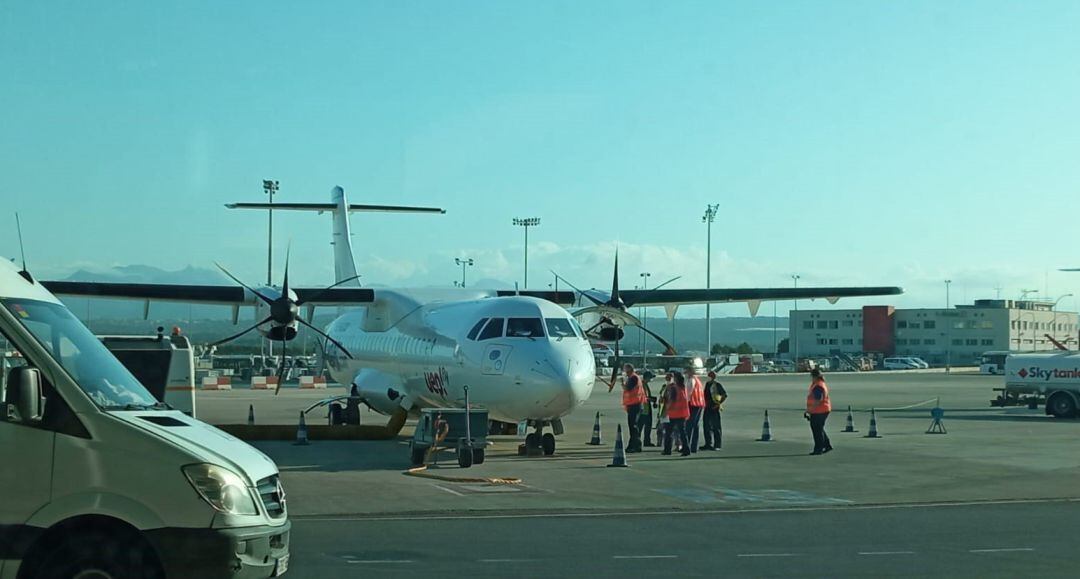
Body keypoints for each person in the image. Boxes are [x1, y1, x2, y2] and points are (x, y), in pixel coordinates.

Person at [662, 372, 692, 457]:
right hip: (682, 413)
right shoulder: (682, 387)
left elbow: (672, 400)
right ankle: (686, 449)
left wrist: (666, 409)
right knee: (682, 432)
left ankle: (667, 450)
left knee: (668, 432)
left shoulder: (674, 388)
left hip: (673, 413)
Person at [805, 368, 833, 455]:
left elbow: (818, 400)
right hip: (822, 409)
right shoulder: (819, 384)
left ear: (815, 377)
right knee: (819, 428)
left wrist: (809, 410)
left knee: (817, 430)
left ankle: (818, 449)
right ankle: (827, 445)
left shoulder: (818, 386)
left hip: (819, 411)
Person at [620, 364, 646, 453]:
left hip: (635, 405)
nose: (625, 372)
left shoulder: (633, 378)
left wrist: (622, 383)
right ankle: (633, 445)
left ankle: (636, 445)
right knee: (633, 426)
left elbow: (627, 388)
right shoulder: (634, 378)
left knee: (633, 427)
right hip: (634, 404)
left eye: (626, 370)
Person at [700, 371, 727, 450]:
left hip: (714, 408)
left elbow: (724, 395)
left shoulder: (717, 385)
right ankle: (708, 444)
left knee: (716, 427)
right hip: (707, 407)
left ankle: (717, 445)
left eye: (710, 376)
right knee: (706, 426)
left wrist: (718, 404)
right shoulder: (707, 384)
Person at [684, 367, 706, 453]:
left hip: (693, 403)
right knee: (695, 425)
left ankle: (687, 445)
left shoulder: (691, 380)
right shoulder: (697, 380)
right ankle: (694, 446)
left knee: (689, 425)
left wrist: (685, 402)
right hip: (699, 403)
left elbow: (688, 393)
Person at [639, 369, 657, 447]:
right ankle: (638, 441)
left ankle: (647, 441)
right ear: (647, 377)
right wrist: (652, 399)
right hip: (644, 409)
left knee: (648, 426)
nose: (651, 379)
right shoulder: (642, 385)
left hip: (647, 408)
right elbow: (644, 397)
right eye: (650, 378)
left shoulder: (645, 385)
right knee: (641, 426)